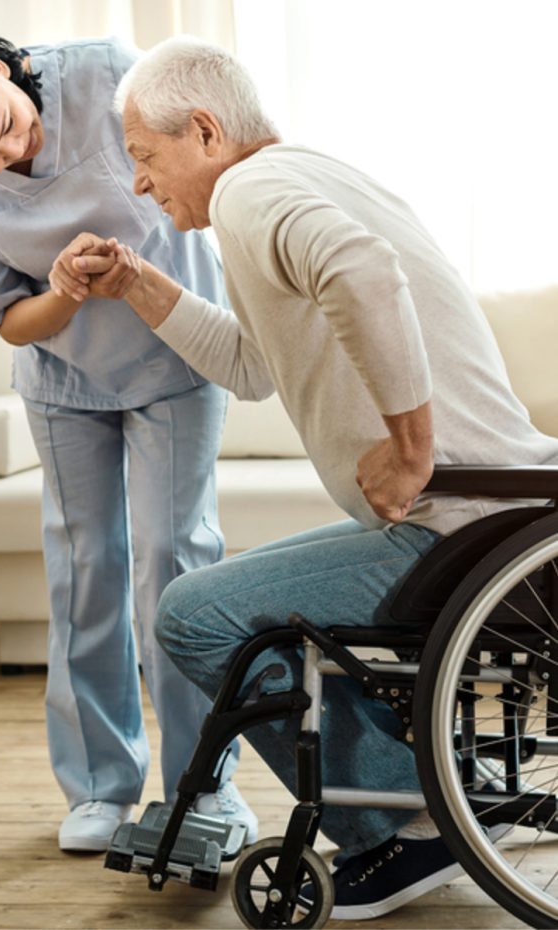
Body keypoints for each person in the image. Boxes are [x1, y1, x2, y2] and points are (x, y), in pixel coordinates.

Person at [49, 37, 558, 919]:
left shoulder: (254, 190)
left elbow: (364, 272)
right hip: (495, 512)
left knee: (193, 613)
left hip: (457, 523)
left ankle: (407, 832)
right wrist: (137, 284)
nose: (139, 183)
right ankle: (437, 793)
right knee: (231, 599)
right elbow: (254, 365)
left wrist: (410, 444)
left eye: (144, 156)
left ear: (204, 131)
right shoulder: (301, 175)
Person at [0, 17, 258, 853]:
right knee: (86, 574)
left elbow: (209, 169)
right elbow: (15, 320)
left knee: (176, 565)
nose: (9, 159)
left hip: (173, 353)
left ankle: (207, 787)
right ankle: (98, 786)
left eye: (10, 129)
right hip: (62, 378)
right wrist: (66, 289)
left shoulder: (111, 75)